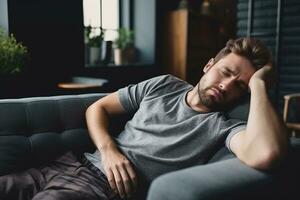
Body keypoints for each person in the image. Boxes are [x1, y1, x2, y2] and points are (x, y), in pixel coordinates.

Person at [0, 37, 288, 200]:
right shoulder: (164, 85)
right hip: (67, 164)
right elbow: (97, 108)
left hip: (98, 190)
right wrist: (109, 149)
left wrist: (260, 84)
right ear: (208, 65)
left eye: (240, 85)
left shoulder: (223, 127)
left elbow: (267, 154)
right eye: (226, 72)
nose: (226, 85)